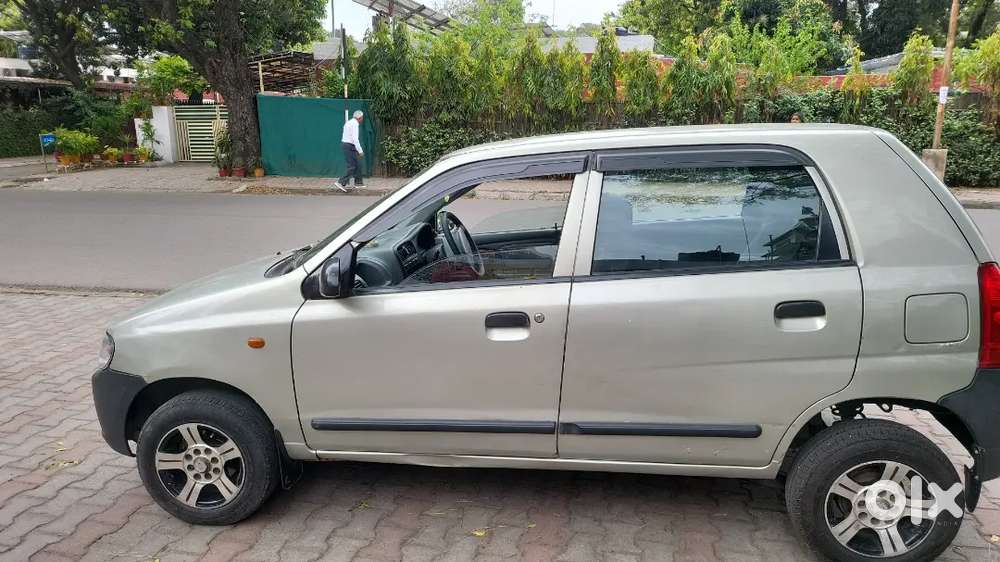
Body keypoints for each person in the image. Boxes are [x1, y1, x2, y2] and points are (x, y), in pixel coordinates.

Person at [334, 110, 366, 191]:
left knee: (358, 164)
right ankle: (341, 182)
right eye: (362, 117)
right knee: (352, 166)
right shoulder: (355, 124)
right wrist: (360, 151)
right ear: (360, 117)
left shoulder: (349, 122)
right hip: (349, 146)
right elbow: (355, 139)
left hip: (347, 145)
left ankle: (358, 183)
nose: (363, 119)